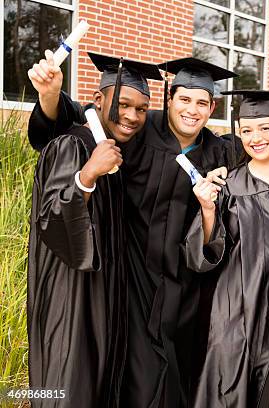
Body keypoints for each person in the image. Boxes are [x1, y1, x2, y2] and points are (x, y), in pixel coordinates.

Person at [27, 52, 237, 407]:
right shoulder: (137, 129)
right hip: (129, 281)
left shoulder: (219, 153)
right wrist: (48, 95)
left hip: (182, 289)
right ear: (169, 100)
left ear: (212, 108)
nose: (192, 109)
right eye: (184, 99)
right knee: (125, 378)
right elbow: (80, 119)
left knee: (177, 378)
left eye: (202, 102)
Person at [27, 53, 161, 407]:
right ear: (98, 100)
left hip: (100, 300)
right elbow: (51, 219)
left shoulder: (109, 151)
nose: (132, 116)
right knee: (69, 389)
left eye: (142, 109)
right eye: (125, 104)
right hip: (69, 300)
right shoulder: (73, 145)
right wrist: (87, 175)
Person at [183, 90, 269, 408]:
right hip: (235, 320)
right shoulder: (227, 188)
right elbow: (202, 257)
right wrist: (207, 209)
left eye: (265, 127)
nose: (256, 137)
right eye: (247, 130)